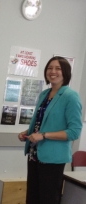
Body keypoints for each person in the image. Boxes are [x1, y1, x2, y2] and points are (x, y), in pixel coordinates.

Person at [18, 56, 82, 204]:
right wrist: (27, 132)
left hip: (53, 158)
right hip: (35, 154)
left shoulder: (70, 96)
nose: (53, 71)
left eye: (58, 68)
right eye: (49, 68)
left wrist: (44, 135)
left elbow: (74, 132)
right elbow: (42, 123)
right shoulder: (44, 94)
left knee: (47, 199)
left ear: (65, 72)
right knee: (33, 197)